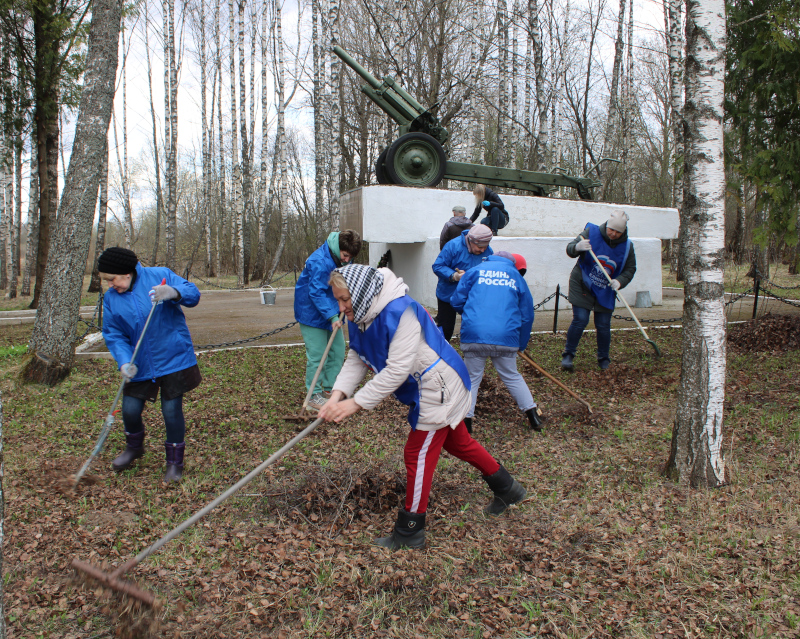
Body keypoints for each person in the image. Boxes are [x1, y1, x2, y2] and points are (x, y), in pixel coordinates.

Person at [318, 264, 527, 550]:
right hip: (426, 386)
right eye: (337, 300)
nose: (341, 307)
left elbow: (396, 371)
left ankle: (410, 532)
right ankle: (508, 489)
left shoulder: (400, 312)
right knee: (458, 443)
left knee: (417, 453)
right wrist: (336, 396)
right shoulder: (361, 314)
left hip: (438, 386)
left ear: (362, 292)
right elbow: (358, 355)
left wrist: (355, 404)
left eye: (344, 299)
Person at [99, 247, 201, 483]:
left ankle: (174, 463)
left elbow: (193, 294)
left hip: (173, 358)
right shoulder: (112, 298)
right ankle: (134, 448)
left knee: (171, 411)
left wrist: (173, 292)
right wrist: (124, 361)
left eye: (112, 279)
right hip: (140, 364)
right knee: (130, 409)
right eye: (106, 281)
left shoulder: (159, 275)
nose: (110, 285)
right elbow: (114, 334)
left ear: (127, 273)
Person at [450, 251, 543, 433]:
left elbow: (456, 301)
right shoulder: (516, 276)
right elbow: (527, 315)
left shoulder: (474, 271)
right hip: (506, 337)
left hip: (475, 335)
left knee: (472, 378)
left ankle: (467, 424)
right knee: (512, 376)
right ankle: (533, 416)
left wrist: (472, 314)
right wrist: (521, 344)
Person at [294, 230, 362, 409]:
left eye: (351, 257)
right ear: (337, 248)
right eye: (345, 255)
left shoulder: (341, 258)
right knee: (318, 356)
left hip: (332, 310)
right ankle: (313, 396)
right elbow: (315, 292)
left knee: (337, 352)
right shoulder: (320, 261)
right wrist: (332, 315)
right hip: (311, 313)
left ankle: (330, 389)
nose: (347, 260)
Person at [562, 210, 637, 371]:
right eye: (611, 230)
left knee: (603, 324)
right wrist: (578, 247)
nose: (614, 234)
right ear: (607, 225)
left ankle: (603, 358)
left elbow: (630, 269)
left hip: (606, 287)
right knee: (580, 319)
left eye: (618, 231)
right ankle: (568, 355)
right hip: (582, 282)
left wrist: (620, 281)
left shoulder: (627, 247)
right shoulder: (591, 232)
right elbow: (570, 249)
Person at [432, 225, 494, 342]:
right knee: (446, 329)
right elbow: (438, 266)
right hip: (448, 295)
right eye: (480, 247)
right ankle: (440, 353)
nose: (482, 250)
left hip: (472, 296)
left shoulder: (488, 251)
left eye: (485, 247)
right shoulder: (453, 246)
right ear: (471, 241)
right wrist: (454, 276)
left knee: (473, 327)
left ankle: (471, 354)